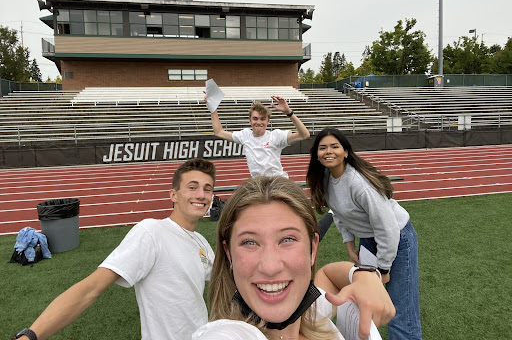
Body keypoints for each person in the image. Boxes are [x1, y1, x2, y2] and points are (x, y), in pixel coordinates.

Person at [13, 158, 217, 340]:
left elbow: (227, 281)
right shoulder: (152, 231)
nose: (201, 195)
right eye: (192, 187)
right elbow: (91, 289)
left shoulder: (201, 242)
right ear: (173, 195)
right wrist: (30, 335)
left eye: (207, 189)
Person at [192, 176, 395, 340]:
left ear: (312, 248)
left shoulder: (309, 312)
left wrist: (363, 276)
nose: (270, 267)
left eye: (287, 239)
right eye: (250, 242)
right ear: (229, 255)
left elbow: (329, 277)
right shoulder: (229, 335)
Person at [306, 128, 422, 340]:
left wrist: (384, 267)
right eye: (323, 148)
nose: (328, 152)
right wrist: (350, 245)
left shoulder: (359, 183)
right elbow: (339, 214)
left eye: (334, 146)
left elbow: (387, 227)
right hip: (369, 241)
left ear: (346, 152)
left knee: (399, 308)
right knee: (365, 300)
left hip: (396, 239)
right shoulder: (326, 178)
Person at [207, 95, 310, 178]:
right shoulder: (245, 135)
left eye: (262, 119)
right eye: (255, 118)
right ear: (250, 120)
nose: (259, 122)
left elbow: (304, 134)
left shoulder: (276, 136)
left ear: (268, 121)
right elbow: (219, 132)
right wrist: (213, 109)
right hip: (259, 186)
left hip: (278, 184)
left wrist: (289, 112)